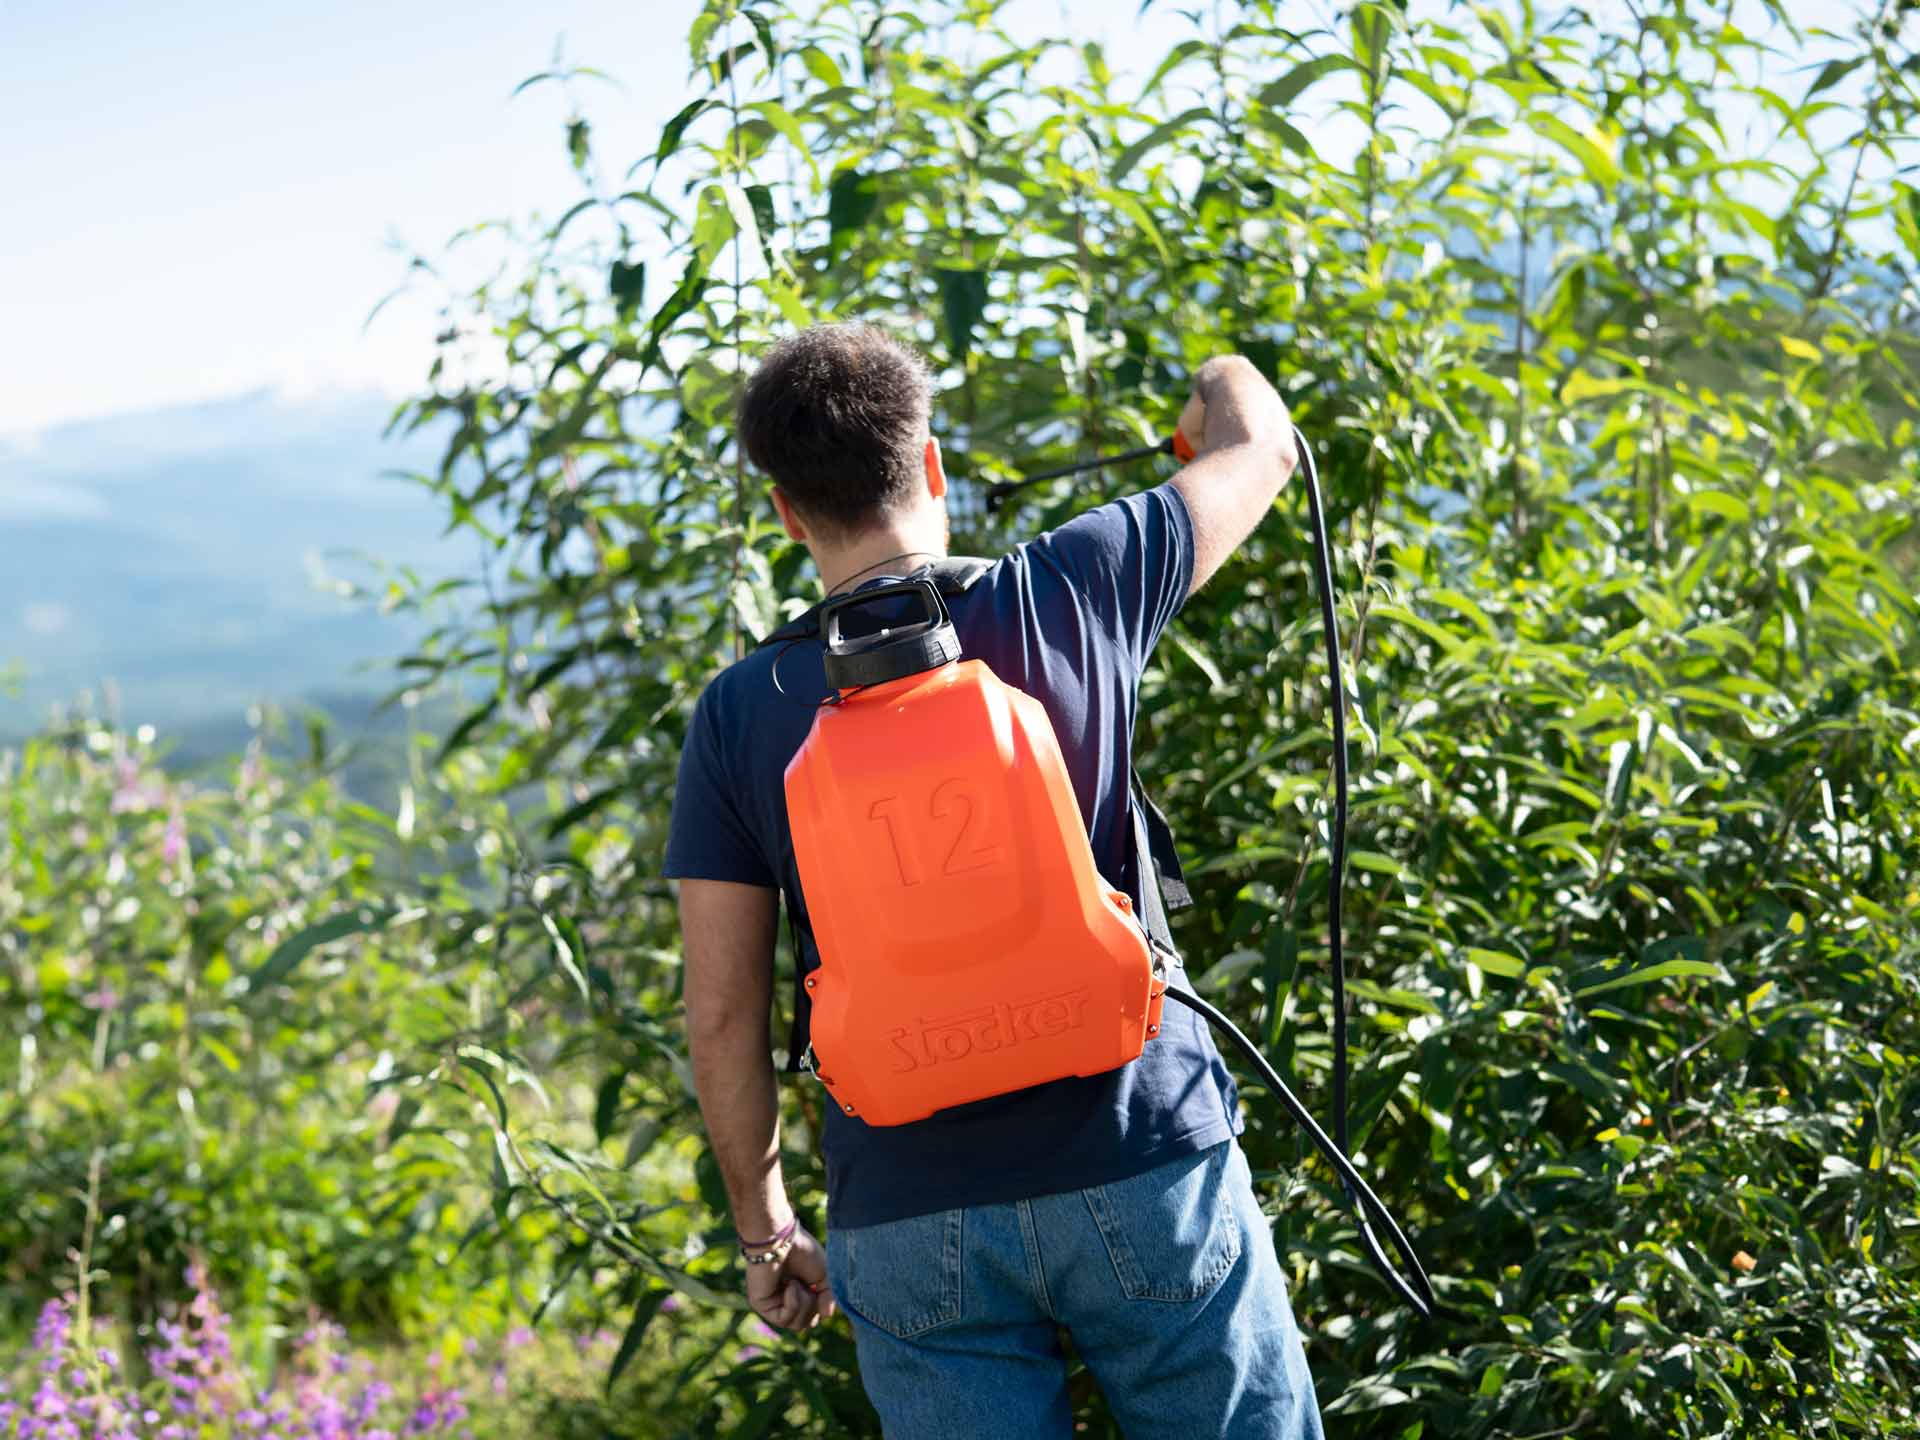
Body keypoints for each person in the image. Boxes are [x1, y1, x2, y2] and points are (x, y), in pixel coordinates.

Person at [663, 322, 1321, 1438]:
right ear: (930, 465)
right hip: (1140, 1151)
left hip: (910, 1219)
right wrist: (1215, 381)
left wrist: (768, 1232)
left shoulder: (736, 716)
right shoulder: (1077, 585)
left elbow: (722, 1014)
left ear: (787, 511)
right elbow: (1263, 446)